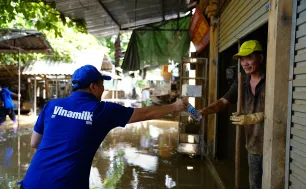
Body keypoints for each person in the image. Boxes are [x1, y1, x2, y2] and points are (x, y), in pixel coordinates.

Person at [19, 65, 187, 189]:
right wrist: (175, 106)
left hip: (31, 182)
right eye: (101, 84)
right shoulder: (102, 111)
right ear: (93, 87)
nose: (104, 88)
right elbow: (145, 114)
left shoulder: (52, 106)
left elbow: (34, 143)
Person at [191, 40, 266, 189]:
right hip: (254, 144)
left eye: (249, 58)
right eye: (242, 59)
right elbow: (222, 102)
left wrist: (256, 117)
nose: (245, 63)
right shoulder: (241, 82)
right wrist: (203, 111)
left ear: (261, 58)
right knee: (255, 185)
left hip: (274, 142)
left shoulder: (272, 79)